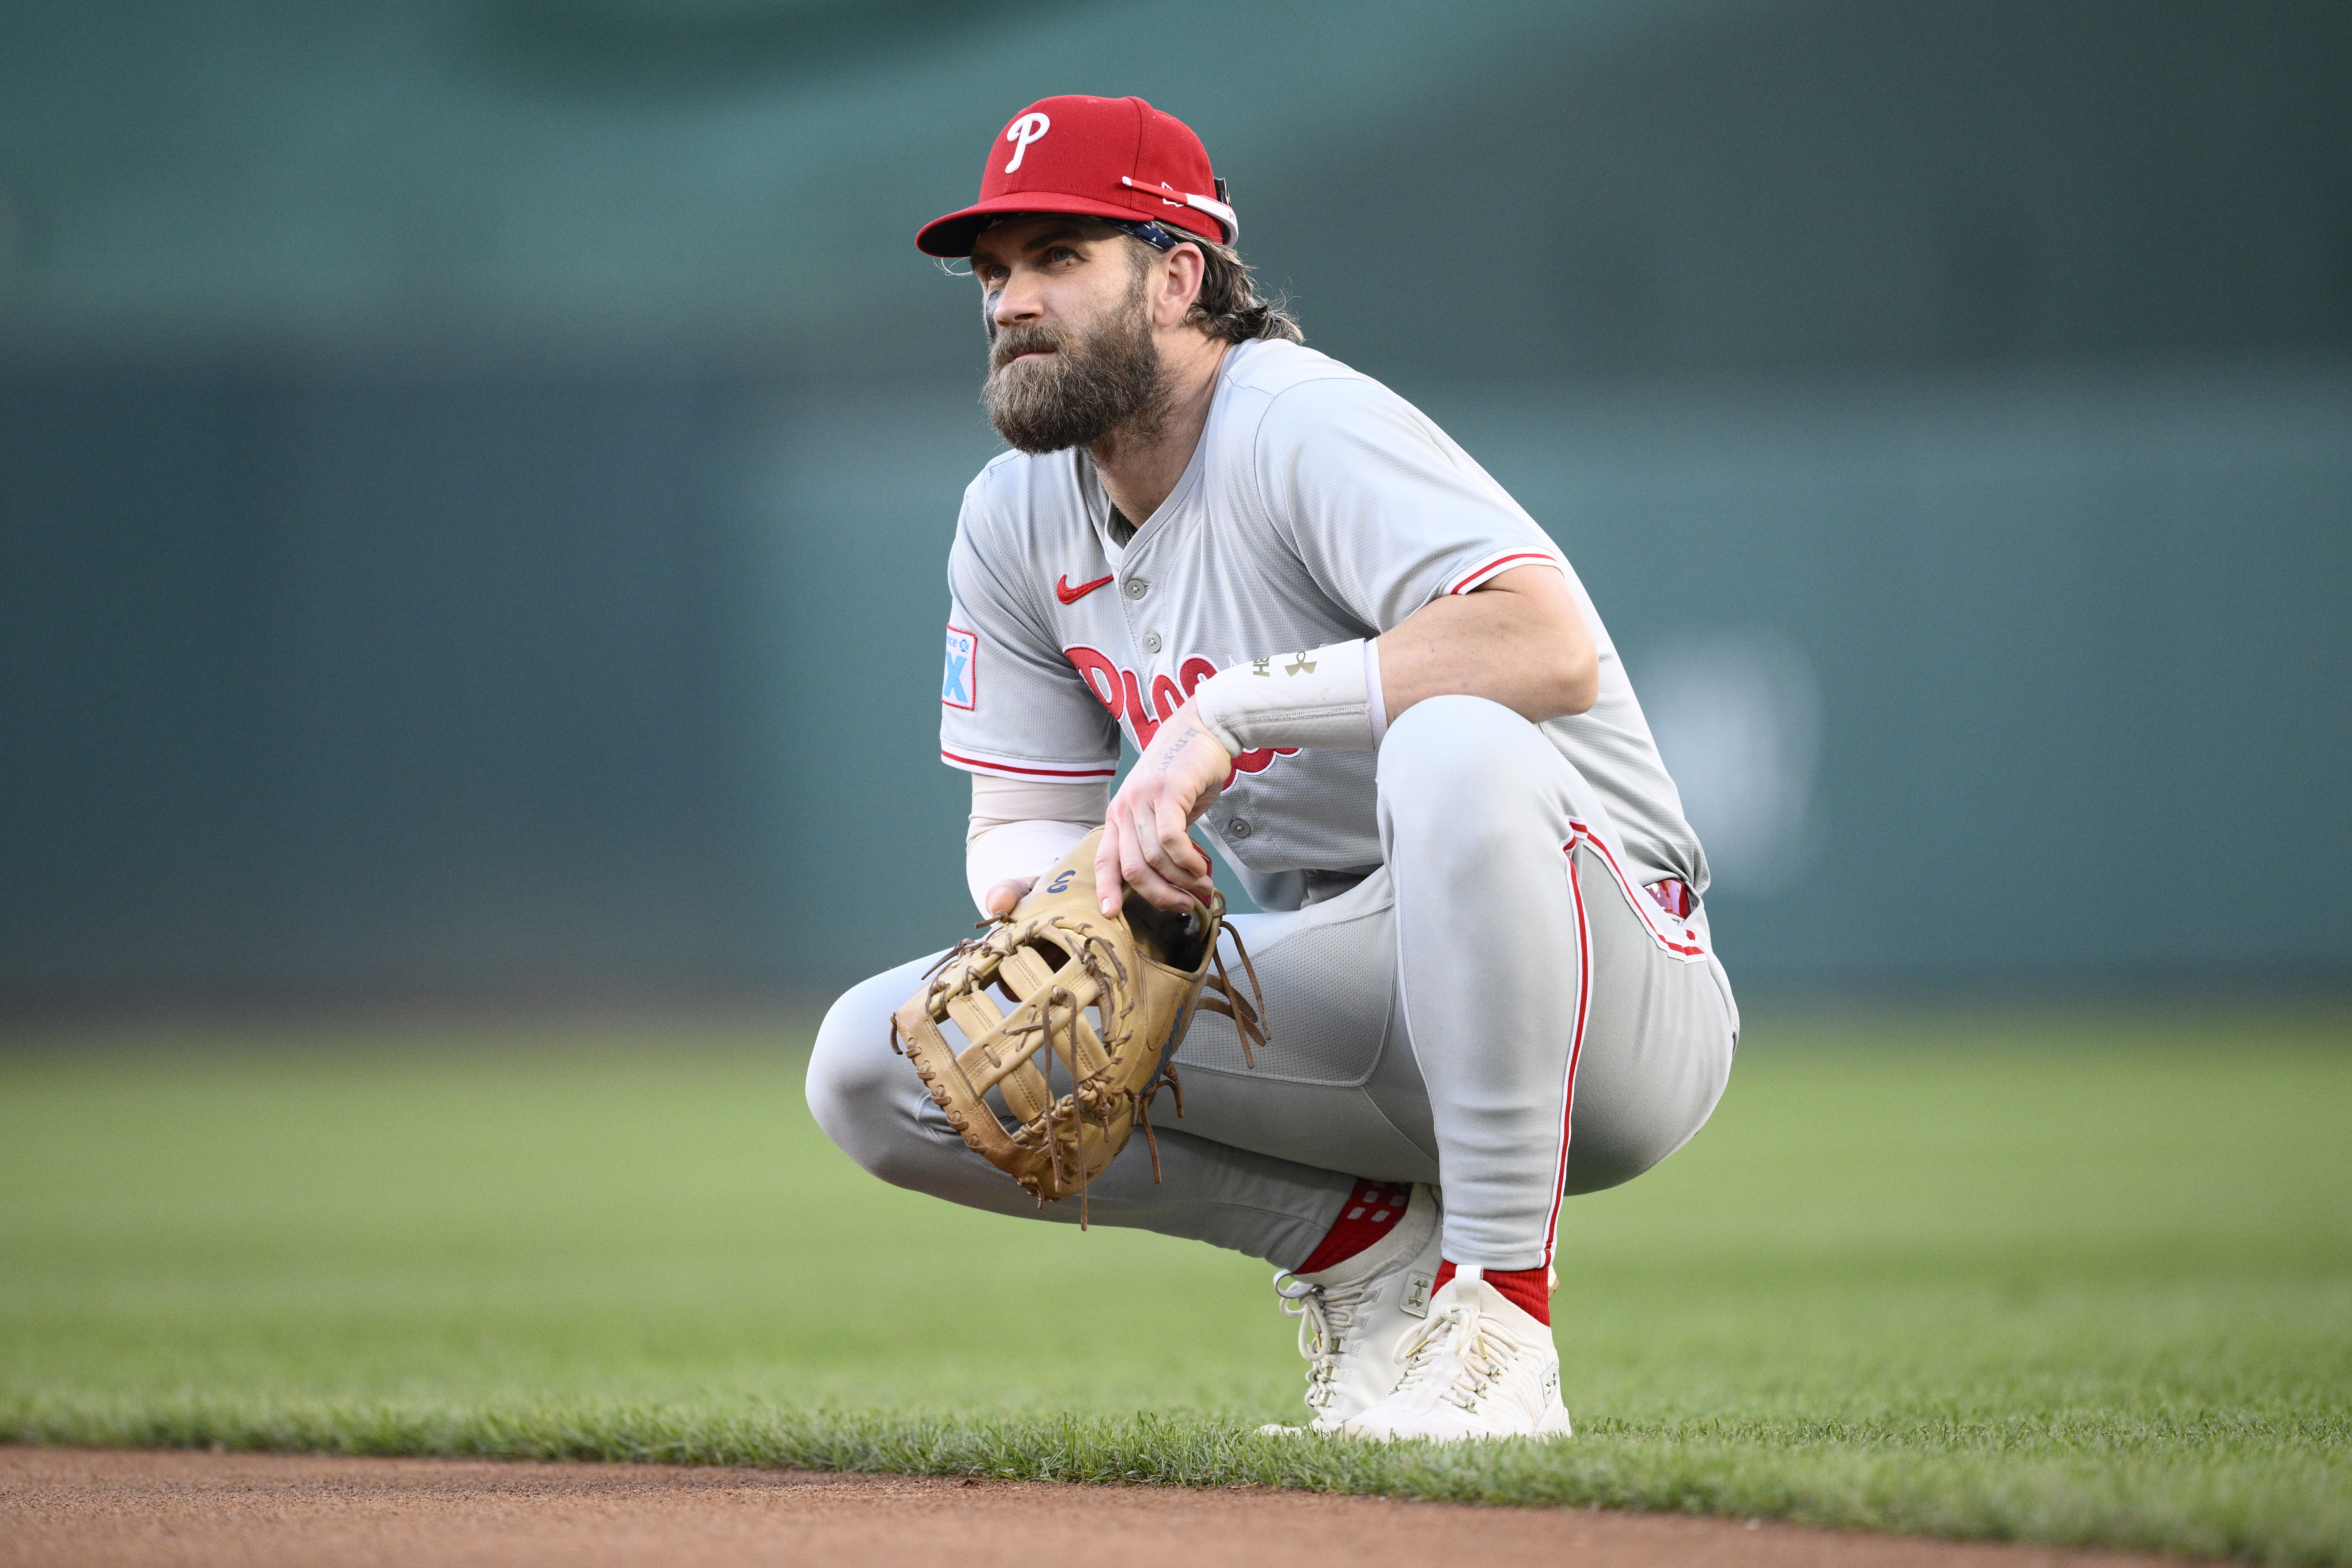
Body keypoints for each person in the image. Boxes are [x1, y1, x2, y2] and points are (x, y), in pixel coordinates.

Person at [806, 95, 1737, 1441]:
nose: (1012, 298)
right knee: (877, 1067)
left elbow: (1548, 641)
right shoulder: (1011, 517)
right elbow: (1011, 831)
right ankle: (1361, 1249)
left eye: (1060, 254)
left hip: (1612, 988)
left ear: (1178, 274)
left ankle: (1498, 1323)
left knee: (1458, 738)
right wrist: (1119, 891)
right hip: (1361, 992)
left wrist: (1231, 709)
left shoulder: (1293, 422)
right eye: (993, 270)